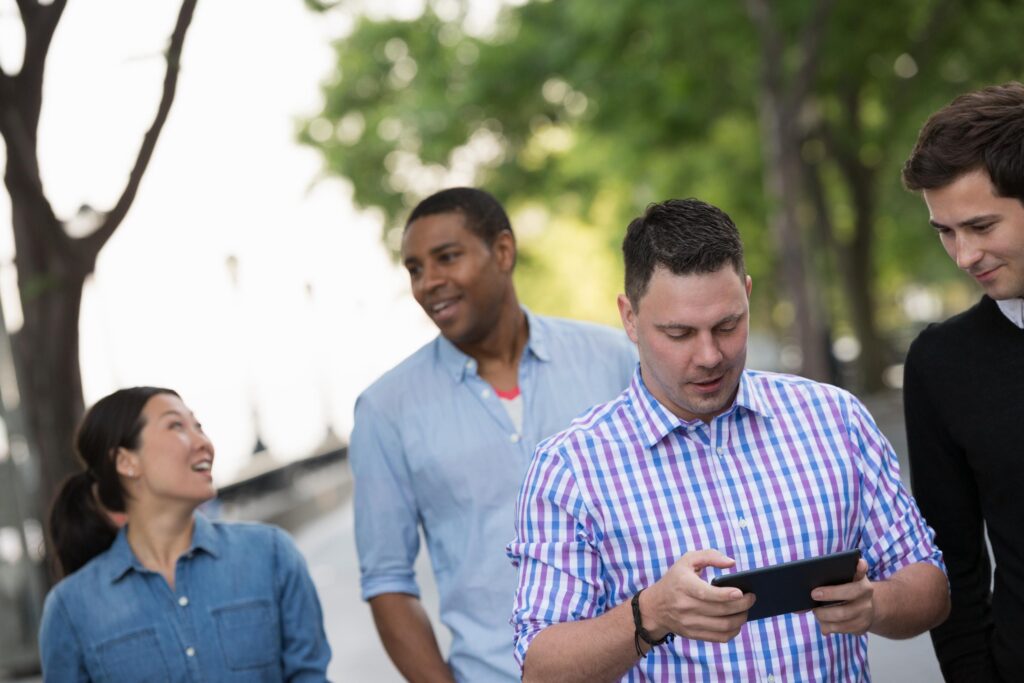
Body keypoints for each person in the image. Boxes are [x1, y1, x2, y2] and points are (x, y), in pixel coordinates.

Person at [508, 198, 950, 682]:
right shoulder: (570, 467)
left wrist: (876, 603)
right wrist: (649, 614)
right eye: (678, 333)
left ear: (747, 294)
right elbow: (541, 669)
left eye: (727, 325)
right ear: (629, 318)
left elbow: (930, 586)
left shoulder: (835, 418)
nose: (709, 355)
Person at [349, 187, 637, 682]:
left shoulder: (616, 360)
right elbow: (387, 580)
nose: (428, 282)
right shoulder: (385, 410)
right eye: (415, 269)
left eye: (447, 258)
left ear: (503, 251)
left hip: (644, 668)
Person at [38, 387, 331, 682]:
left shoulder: (271, 554)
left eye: (199, 427)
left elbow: (310, 676)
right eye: (176, 425)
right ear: (126, 461)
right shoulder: (70, 609)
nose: (204, 443)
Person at [901, 82, 1024, 682]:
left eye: (980, 225)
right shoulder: (940, 364)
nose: (964, 255)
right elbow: (952, 559)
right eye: (945, 231)